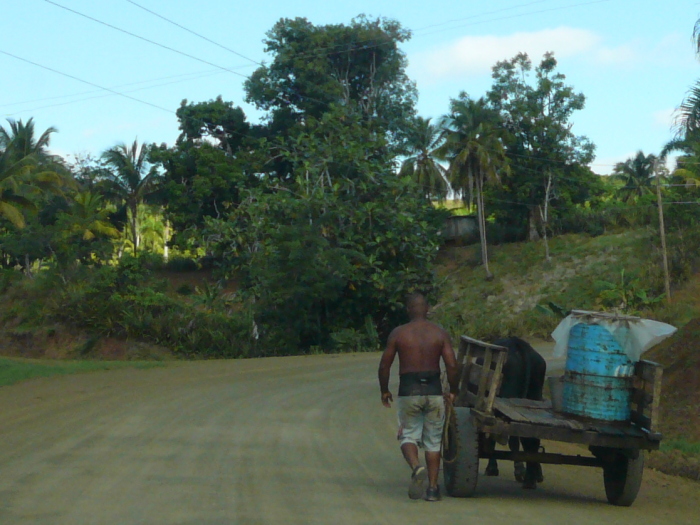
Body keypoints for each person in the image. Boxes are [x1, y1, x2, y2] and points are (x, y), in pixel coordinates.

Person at [378, 293, 459, 502]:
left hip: (409, 391)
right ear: (427, 309)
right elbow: (451, 364)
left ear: (408, 310)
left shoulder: (399, 333)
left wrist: (384, 390)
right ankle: (432, 489)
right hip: (434, 391)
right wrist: (453, 389)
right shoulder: (439, 333)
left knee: (408, 436)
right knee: (433, 442)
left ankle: (416, 467)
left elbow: (385, 364)